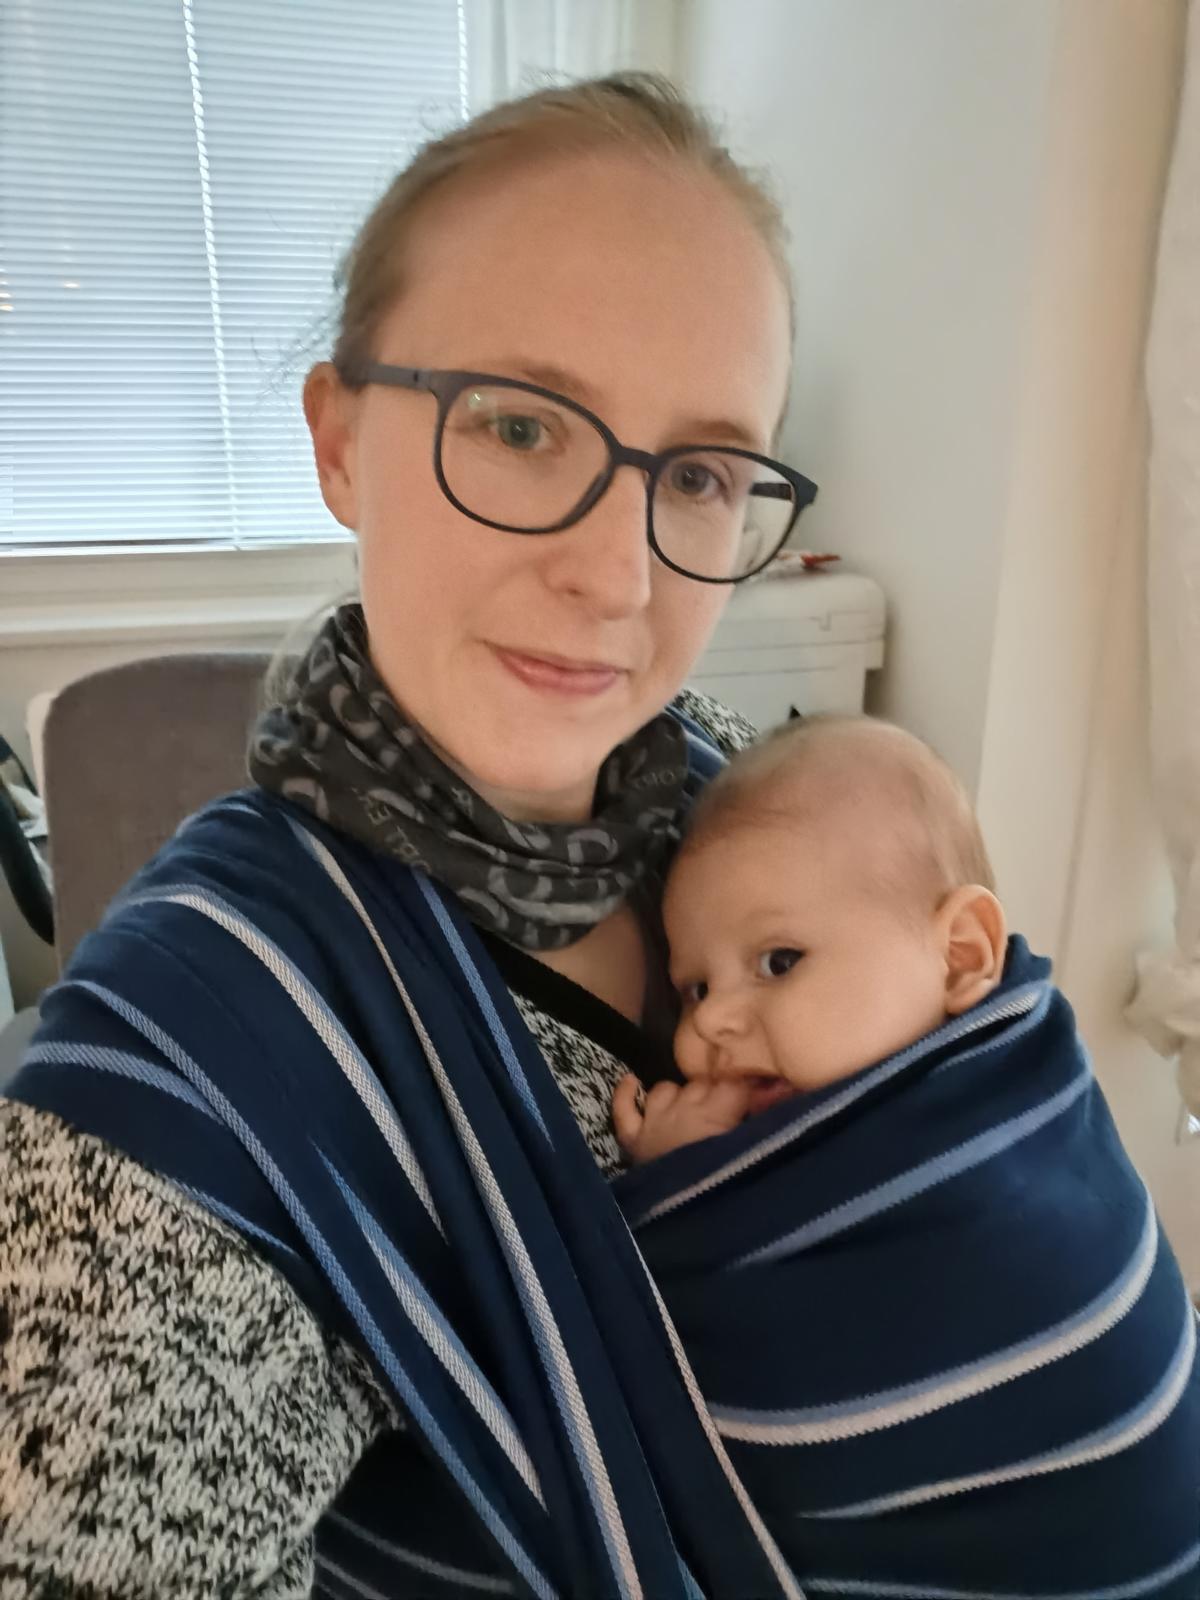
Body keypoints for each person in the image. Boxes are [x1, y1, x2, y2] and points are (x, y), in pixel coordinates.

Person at [0, 74, 820, 1599]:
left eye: (700, 474)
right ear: (338, 442)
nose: (618, 577)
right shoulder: (184, 1076)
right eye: (519, 426)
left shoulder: (755, 802)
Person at [611, 716, 1200, 1595]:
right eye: (695, 986)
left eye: (778, 961)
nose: (705, 1028)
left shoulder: (1010, 1128)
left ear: (961, 955)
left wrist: (677, 1190)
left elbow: (680, 1362)